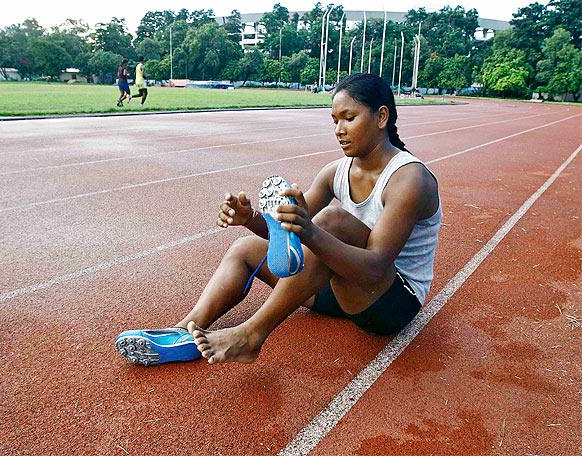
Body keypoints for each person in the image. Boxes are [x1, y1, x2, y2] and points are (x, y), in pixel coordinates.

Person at [117, 73, 442, 365]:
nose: (339, 130)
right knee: (245, 250)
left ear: (381, 116)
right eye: (333, 121)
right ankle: (185, 332)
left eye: (349, 118)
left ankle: (252, 335)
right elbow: (284, 234)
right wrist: (251, 219)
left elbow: (374, 268)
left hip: (389, 303)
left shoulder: (409, 179)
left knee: (332, 221)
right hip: (342, 287)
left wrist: (311, 231)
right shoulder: (336, 172)